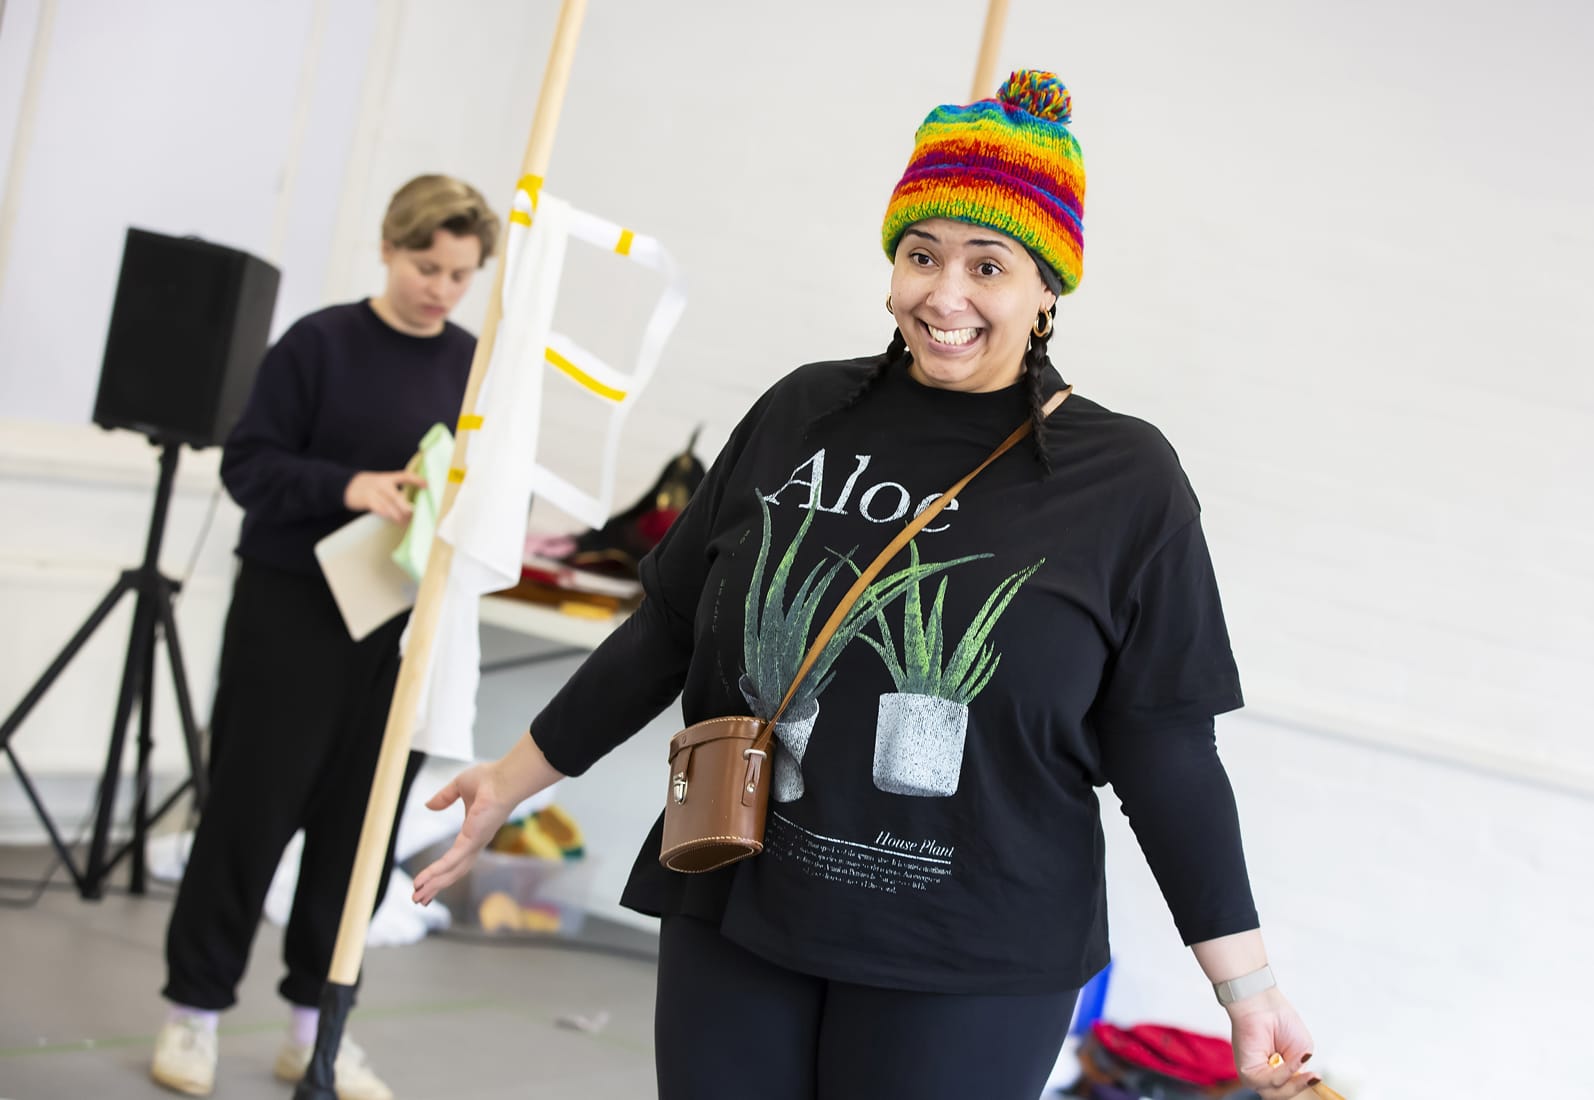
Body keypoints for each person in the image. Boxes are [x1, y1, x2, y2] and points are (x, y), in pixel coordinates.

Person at [414, 71, 1321, 1100]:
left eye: (989, 264)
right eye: (920, 253)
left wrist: (1243, 983)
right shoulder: (803, 411)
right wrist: (512, 776)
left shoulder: (1122, 479)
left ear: (1046, 290)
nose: (945, 293)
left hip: (968, 953)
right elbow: (668, 621)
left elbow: (1164, 742)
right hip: (742, 901)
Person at [150, 175, 499, 1099]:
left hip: (394, 630)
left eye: (462, 274)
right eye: (428, 266)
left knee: (359, 835)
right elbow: (249, 465)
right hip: (290, 617)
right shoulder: (319, 344)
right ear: (390, 247)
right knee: (246, 819)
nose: (442, 288)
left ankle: (317, 1030)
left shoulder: (472, 364)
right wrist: (351, 488)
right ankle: (193, 1015)